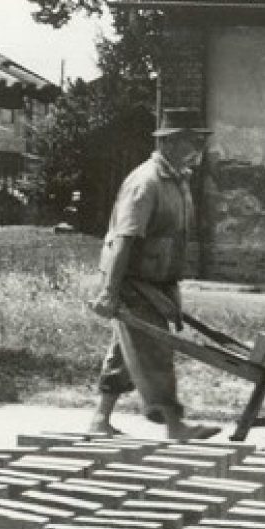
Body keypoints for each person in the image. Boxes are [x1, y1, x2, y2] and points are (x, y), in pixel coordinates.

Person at [87, 107, 220, 440]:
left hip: (157, 282)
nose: (199, 150)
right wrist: (109, 292)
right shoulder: (146, 183)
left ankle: (100, 420)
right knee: (154, 353)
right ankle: (175, 424)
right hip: (134, 283)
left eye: (201, 142)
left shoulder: (177, 180)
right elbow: (124, 241)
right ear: (171, 143)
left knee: (126, 351)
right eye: (193, 142)